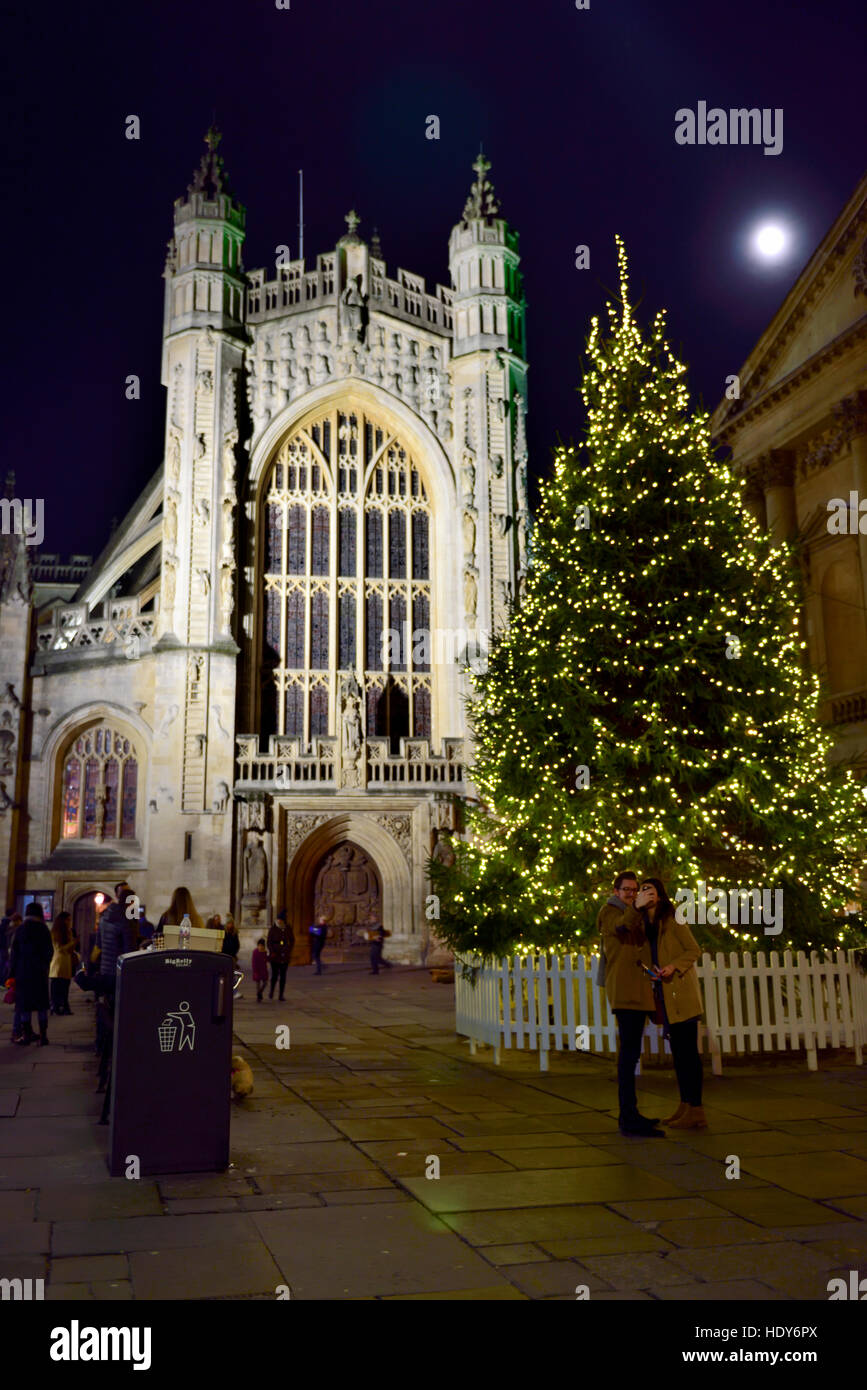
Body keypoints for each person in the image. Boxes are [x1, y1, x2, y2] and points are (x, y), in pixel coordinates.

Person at [636, 877, 706, 1130]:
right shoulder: (644, 924)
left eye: (650, 889)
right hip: (664, 995)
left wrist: (673, 966)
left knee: (688, 1054)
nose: (646, 893)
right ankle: (685, 1104)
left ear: (660, 894)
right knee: (678, 1054)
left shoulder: (673, 917)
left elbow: (693, 950)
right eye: (642, 890)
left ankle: (696, 1108)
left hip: (681, 994)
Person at [598, 871, 662, 1137]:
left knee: (632, 1054)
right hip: (625, 993)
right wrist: (636, 907)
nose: (631, 893)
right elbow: (621, 928)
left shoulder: (636, 912)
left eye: (634, 890)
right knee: (628, 1057)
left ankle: (632, 1113)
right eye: (626, 889)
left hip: (638, 991)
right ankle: (628, 1117)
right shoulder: (610, 911)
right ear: (616, 891)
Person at [10, 902, 53, 1045]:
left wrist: (12, 972)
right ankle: (43, 1036)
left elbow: (14, 953)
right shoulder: (43, 929)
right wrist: (44, 965)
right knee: (41, 1005)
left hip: (22, 972)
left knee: (24, 1006)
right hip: (39, 972)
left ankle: (27, 1035)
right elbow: (49, 951)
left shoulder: (21, 929)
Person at [49, 911, 77, 1015]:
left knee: (65, 986)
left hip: (66, 962)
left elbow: (69, 949)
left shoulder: (68, 931)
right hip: (59, 962)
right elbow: (60, 949)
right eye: (68, 920)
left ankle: (63, 1007)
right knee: (57, 987)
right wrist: (72, 942)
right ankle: (56, 1006)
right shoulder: (56, 932)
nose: (69, 922)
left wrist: (73, 943)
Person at [267, 912, 294, 999]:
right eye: (278, 919)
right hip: (275, 955)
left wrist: (289, 950)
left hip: (284, 956)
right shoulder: (273, 929)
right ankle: (271, 992)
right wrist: (272, 951)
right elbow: (269, 941)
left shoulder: (288, 928)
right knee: (274, 975)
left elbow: (292, 940)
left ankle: (281, 995)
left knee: (283, 976)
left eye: (280, 919)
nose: (279, 921)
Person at [365, 910, 392, 975]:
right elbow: (370, 933)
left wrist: (378, 937)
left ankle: (375, 971)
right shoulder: (372, 926)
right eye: (371, 918)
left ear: (376, 918)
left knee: (373, 957)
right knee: (378, 958)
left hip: (378, 943)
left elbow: (382, 933)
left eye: (372, 918)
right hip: (374, 943)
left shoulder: (379, 926)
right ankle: (388, 964)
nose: (371, 919)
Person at [252, 937, 269, 1002]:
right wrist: (255, 971)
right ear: (258, 945)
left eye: (262, 946)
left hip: (264, 970)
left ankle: (260, 993)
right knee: (258, 985)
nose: (260, 947)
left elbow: (267, 959)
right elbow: (253, 962)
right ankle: (258, 997)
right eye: (259, 945)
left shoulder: (265, 952)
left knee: (265, 983)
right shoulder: (255, 952)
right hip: (257, 970)